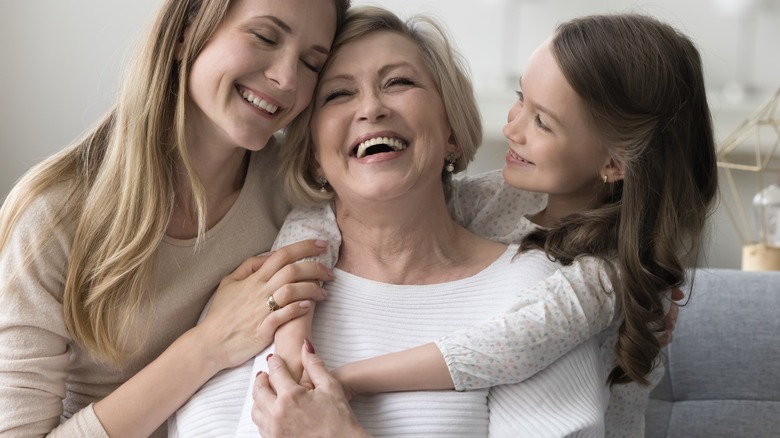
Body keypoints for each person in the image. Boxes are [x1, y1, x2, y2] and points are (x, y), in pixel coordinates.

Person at [251, 8, 717, 438]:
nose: (511, 129)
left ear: (614, 163)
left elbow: (491, 351)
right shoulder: (500, 200)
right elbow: (319, 220)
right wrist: (292, 338)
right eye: (520, 99)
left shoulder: (601, 278)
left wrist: (344, 379)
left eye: (543, 122)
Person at [171, 6, 622, 437]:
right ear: (312, 155)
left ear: (450, 129)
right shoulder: (259, 294)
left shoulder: (533, 292)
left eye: (399, 82)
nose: (371, 108)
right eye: (339, 94)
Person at [0, 0, 351, 436]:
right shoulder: (52, 215)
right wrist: (208, 345)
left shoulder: (299, 194)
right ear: (186, 30)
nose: (287, 79)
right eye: (265, 37)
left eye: (311, 63)